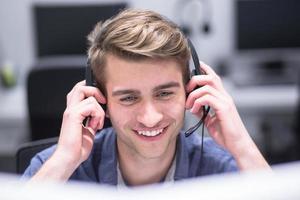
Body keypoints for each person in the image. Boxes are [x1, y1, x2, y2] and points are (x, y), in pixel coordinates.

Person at [23, 9, 270, 186]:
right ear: (101, 101)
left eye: (164, 93)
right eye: (129, 98)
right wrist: (64, 162)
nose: (150, 118)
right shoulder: (55, 170)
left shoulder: (224, 170)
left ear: (190, 92)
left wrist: (243, 147)